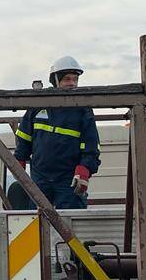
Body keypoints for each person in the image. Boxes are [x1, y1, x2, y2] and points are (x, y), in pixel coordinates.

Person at [13, 56, 100, 209]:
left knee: (69, 225)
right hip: (40, 178)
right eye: (67, 79)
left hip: (69, 180)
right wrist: (19, 160)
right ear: (55, 80)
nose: (72, 83)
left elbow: (91, 145)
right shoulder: (37, 105)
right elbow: (24, 136)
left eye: (75, 79)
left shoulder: (83, 109)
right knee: (37, 224)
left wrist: (85, 168)